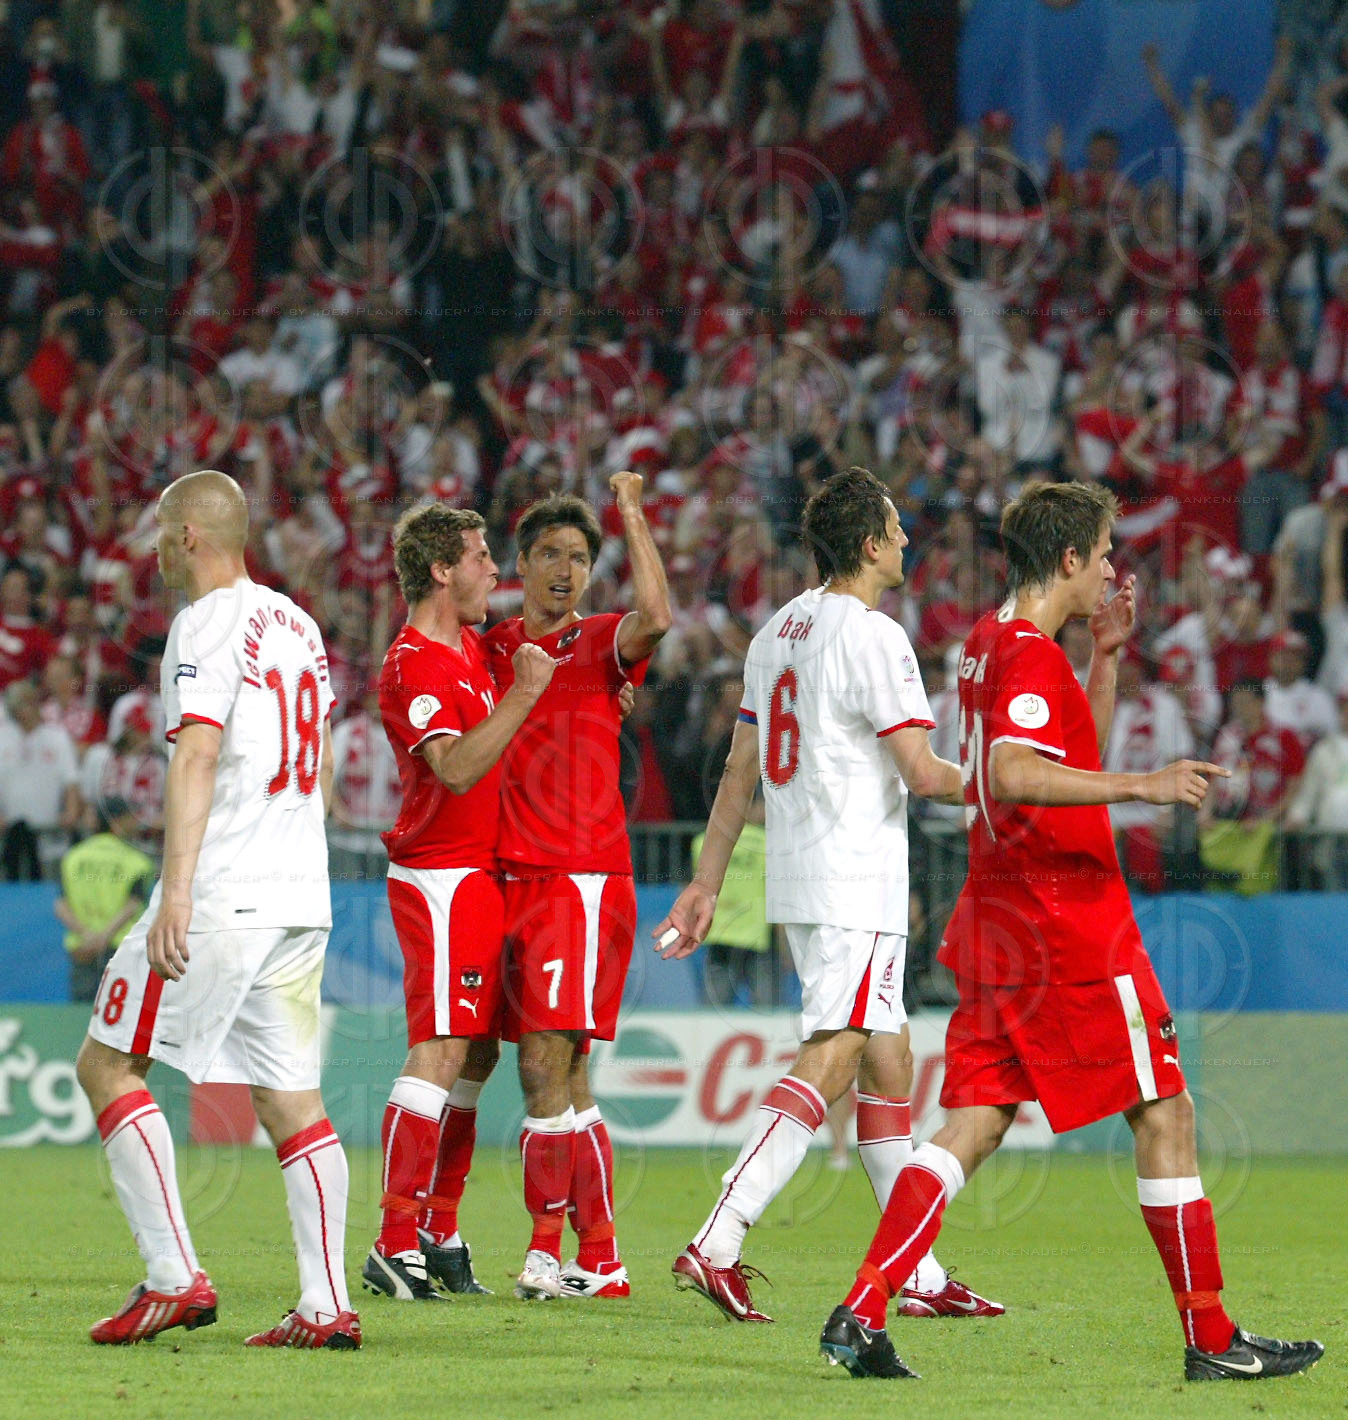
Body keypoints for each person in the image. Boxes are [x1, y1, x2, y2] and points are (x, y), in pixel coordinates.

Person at [818, 481, 1323, 1383]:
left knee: (973, 1120)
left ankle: (863, 1306)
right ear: (1065, 561)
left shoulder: (990, 645)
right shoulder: (1026, 659)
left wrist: (1106, 661)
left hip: (998, 920)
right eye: (1101, 554)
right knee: (1165, 1108)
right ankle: (1211, 1337)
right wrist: (1144, 786)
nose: (1110, 569)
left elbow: (1054, 752)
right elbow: (1016, 769)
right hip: (1067, 925)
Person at [655, 467, 1000, 1324]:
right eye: (897, 527)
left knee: (888, 1066)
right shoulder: (875, 637)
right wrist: (1011, 784)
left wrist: (706, 879)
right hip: (854, 881)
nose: (908, 541)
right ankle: (719, 1236)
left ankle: (915, 1274)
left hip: (801, 877)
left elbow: (738, 770)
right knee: (838, 1053)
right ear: (872, 543)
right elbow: (921, 773)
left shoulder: (776, 631)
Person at [74, 469, 361, 1350]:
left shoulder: (205, 623)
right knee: (292, 1105)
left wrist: (179, 889)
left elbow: (198, 753)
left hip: (225, 891)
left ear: (191, 536)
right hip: (297, 893)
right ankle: (325, 1306)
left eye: (161, 530)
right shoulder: (299, 624)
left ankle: (172, 1278)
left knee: (107, 1065)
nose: (154, 546)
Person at [483, 474, 670, 1302]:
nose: (566, 569)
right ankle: (602, 1258)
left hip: (580, 878)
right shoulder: (490, 650)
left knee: (540, 1066)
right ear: (520, 564)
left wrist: (630, 511)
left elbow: (658, 617)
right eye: (552, 554)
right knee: (572, 1077)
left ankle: (540, 1250)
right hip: (514, 876)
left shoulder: (600, 642)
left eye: (581, 558)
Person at [361, 504, 555, 1303]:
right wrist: (523, 696)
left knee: (474, 1055)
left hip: (481, 876)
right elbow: (455, 769)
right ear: (441, 570)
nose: (492, 572)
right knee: (439, 1050)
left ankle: (439, 1225)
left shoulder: (470, 648)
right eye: (479, 558)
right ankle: (392, 1239)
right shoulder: (413, 665)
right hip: (439, 877)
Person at [54, 797, 154, 1002]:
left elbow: (61, 905)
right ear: (117, 821)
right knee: (120, 1018)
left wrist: (87, 935)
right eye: (130, 818)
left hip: (83, 948)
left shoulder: (73, 857)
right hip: (121, 951)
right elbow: (133, 905)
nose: (135, 823)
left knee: (81, 1017)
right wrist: (104, 937)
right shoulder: (137, 861)